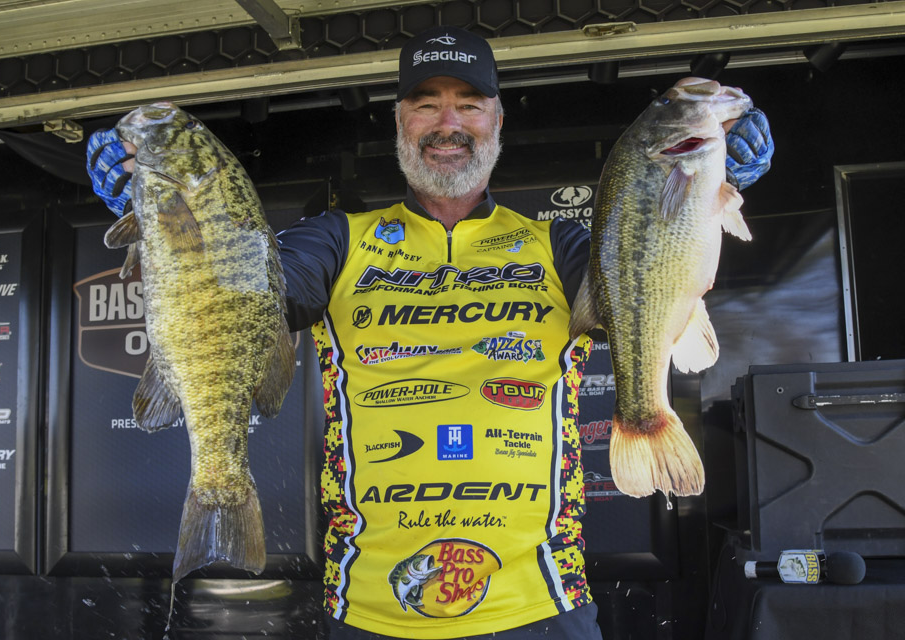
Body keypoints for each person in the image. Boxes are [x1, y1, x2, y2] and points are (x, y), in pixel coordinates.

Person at [86, 25, 773, 640]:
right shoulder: (336, 239)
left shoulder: (560, 245)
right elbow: (247, 297)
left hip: (541, 604)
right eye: (426, 104)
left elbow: (649, 270)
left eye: (469, 104)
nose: (449, 123)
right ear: (399, 122)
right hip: (369, 609)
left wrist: (705, 189)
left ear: (497, 120)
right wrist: (169, 218)